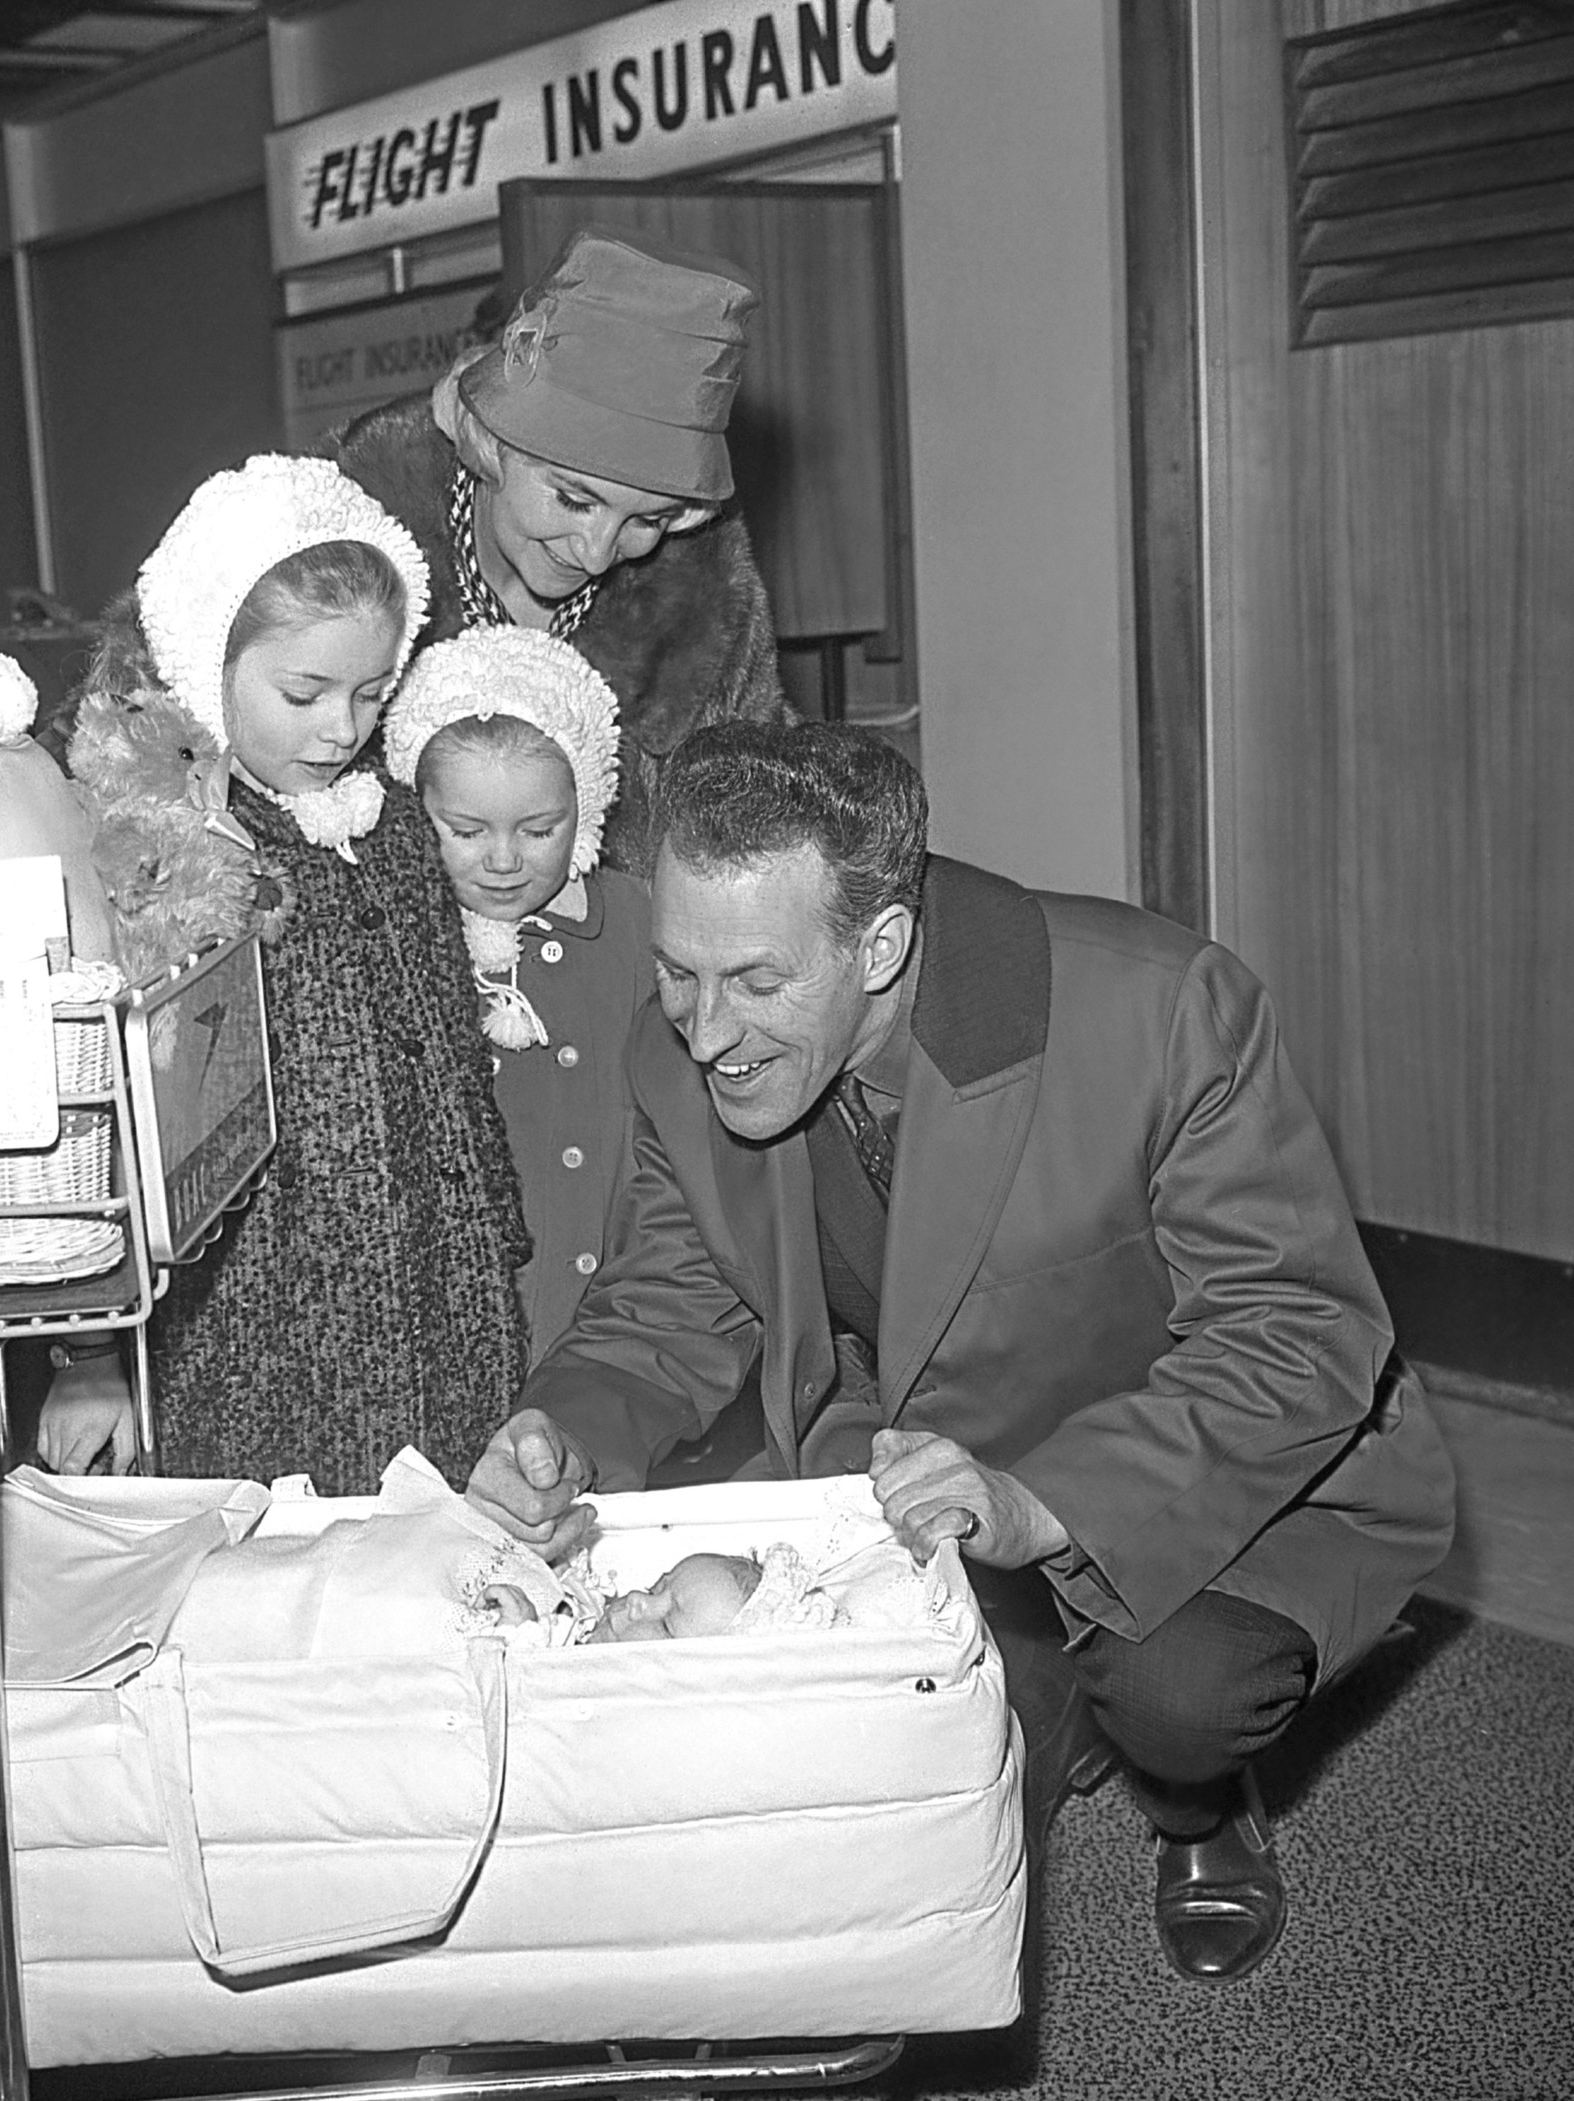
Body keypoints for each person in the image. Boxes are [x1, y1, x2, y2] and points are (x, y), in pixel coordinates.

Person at [465, 720, 1456, 1987]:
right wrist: (565, 1433)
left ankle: (1201, 1805)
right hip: (907, 1479)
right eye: (676, 973)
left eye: (758, 984)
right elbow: (668, 1307)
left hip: (1221, 1471)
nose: (705, 1034)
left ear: (878, 946)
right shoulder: (679, 1041)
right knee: (844, 1765)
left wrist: (1047, 1507)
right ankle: (1046, 1693)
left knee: (1175, 1696)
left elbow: (1303, 1334)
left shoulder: (1161, 1007)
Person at [37, 455, 529, 1493]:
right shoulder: (161, 849)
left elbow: (453, 1066)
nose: (341, 728)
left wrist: (499, 1242)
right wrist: (89, 1355)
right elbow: (88, 1126)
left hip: (441, 1295)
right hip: (246, 1318)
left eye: (369, 690)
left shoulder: (394, 826)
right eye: (302, 692)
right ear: (200, 656)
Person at [325, 225, 788, 871]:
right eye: (574, 499)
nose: (598, 554)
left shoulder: (704, 590)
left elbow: (751, 803)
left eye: (648, 519)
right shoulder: (341, 528)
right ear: (491, 442)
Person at [383, 625, 656, 1359]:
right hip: (467, 1330)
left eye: (540, 829)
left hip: (628, 1323)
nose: (503, 861)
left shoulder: (642, 926)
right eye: (466, 830)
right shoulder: (398, 944)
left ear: (589, 804)